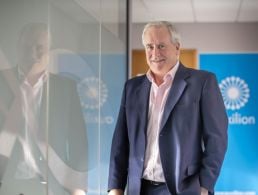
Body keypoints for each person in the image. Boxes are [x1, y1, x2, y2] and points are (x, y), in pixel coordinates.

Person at [108, 21, 228, 195]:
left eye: (162, 46)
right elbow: (120, 141)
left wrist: (204, 187)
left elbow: (217, 140)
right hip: (139, 188)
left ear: (177, 48)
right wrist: (115, 187)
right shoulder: (132, 87)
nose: (155, 53)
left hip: (184, 189)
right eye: (150, 46)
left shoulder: (202, 82)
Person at [0, 23, 87, 195]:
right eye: (26, 47)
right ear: (18, 48)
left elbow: (79, 143)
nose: (32, 54)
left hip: (52, 186)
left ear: (49, 50)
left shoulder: (66, 88)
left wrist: (78, 189)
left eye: (39, 48)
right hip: (7, 184)